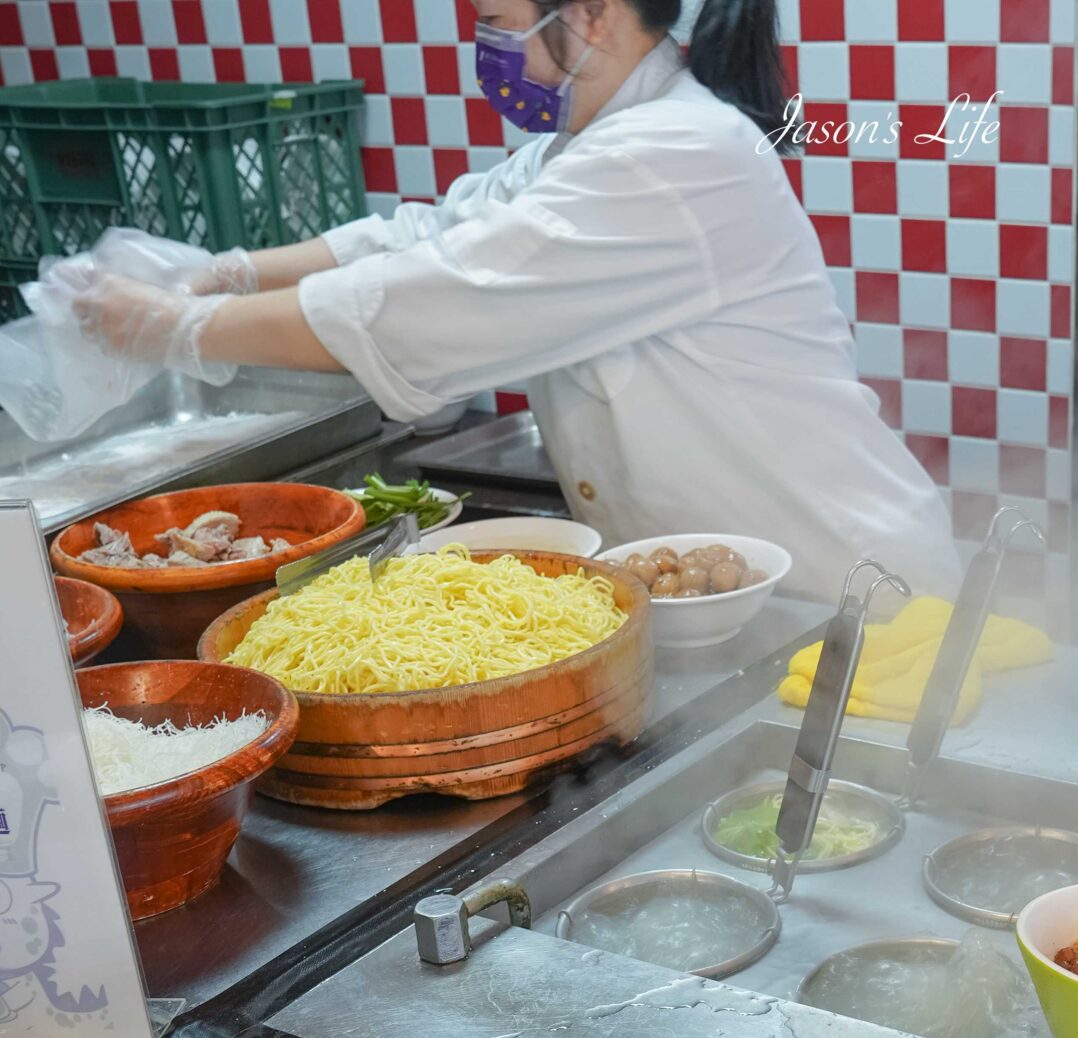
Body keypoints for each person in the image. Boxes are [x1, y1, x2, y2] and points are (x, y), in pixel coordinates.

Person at [74, 0, 957, 597]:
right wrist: (226, 271)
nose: (488, 53)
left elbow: (438, 296)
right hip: (732, 587)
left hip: (845, 589)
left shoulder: (673, 153)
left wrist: (178, 330)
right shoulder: (585, 145)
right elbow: (423, 237)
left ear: (591, 15)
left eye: (499, 25)